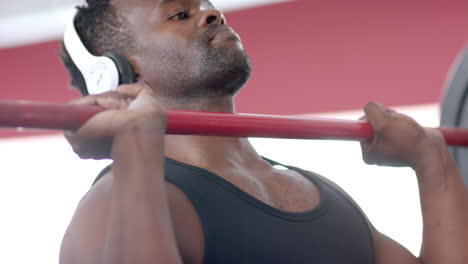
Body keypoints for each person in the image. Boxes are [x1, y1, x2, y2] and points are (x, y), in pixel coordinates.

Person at [59, 0, 468, 263]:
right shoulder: (110, 204)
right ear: (113, 72)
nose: (211, 13)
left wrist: (430, 159)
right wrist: (137, 140)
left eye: (207, 5)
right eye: (179, 14)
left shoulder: (320, 192)